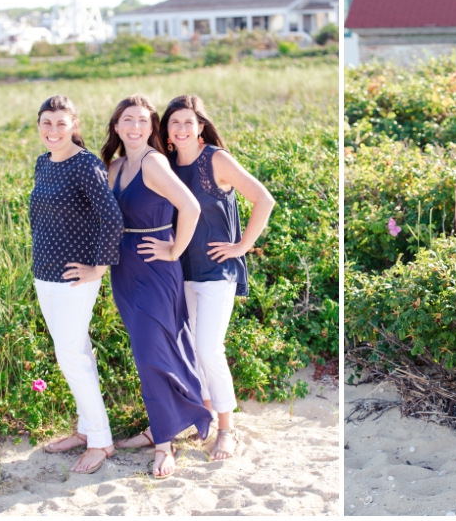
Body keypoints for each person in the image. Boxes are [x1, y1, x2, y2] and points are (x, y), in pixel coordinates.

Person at [120, 94, 275, 460]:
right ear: (167, 131)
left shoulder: (216, 160)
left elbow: (263, 199)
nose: (182, 128)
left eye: (189, 122)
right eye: (174, 123)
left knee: (208, 348)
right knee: (185, 351)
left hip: (216, 272)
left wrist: (241, 246)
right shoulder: (165, 163)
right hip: (177, 273)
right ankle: (195, 416)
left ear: (201, 126)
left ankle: (226, 428)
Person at [102, 94, 212, 479]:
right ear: (116, 126)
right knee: (147, 351)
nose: (135, 127)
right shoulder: (114, 167)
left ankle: (164, 445)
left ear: (152, 129)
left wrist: (174, 249)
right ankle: (167, 422)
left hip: (155, 265)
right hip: (124, 270)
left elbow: (191, 207)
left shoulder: (153, 162)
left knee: (153, 354)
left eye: (143, 121)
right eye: (127, 120)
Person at [30, 95, 124, 474]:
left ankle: (101, 441)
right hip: (44, 273)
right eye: (46, 123)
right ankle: (87, 429)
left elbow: (112, 218)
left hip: (74, 277)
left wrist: (99, 268)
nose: (53, 131)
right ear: (39, 125)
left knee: (70, 355)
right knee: (76, 352)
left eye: (60, 123)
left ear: (74, 126)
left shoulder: (85, 164)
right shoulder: (42, 163)